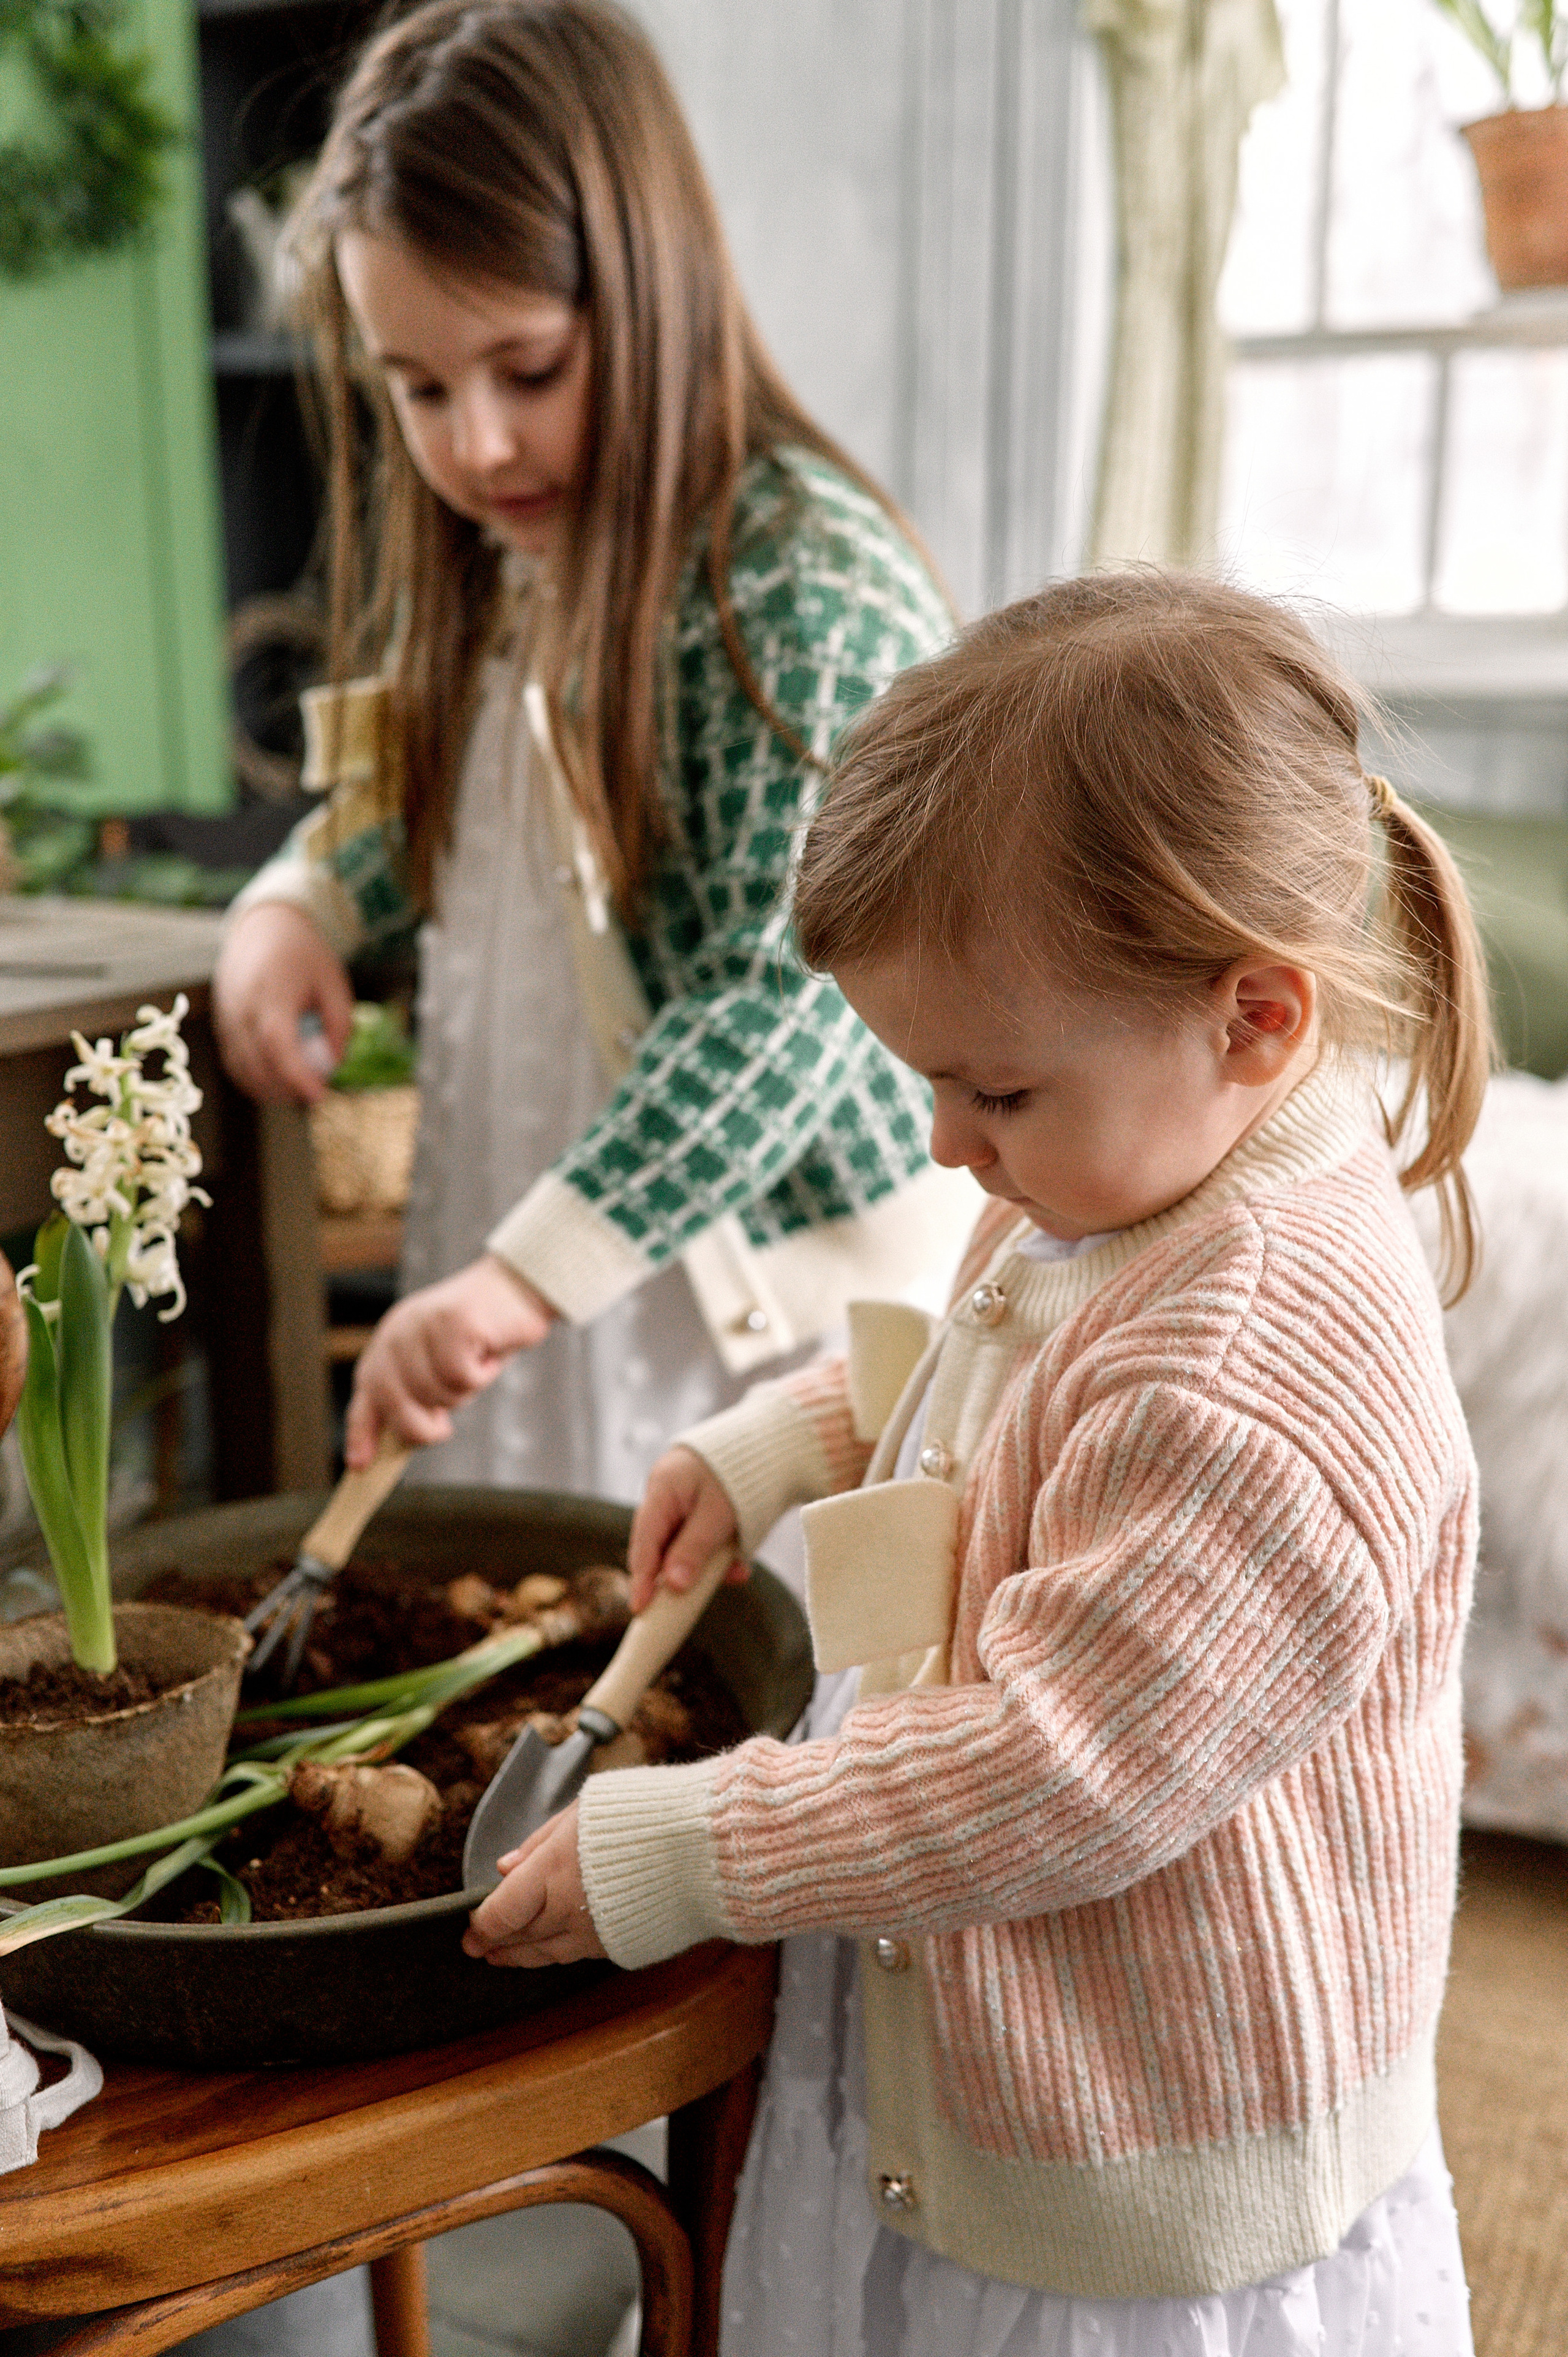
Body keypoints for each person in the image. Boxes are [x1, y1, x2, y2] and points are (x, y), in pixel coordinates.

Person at [464, 572, 1488, 2356]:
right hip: (1001, 2027)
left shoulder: (1256, 1361)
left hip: (1130, 2154)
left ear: (1254, 1015)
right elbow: (1000, 1368)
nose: (946, 1143)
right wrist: (785, 1442)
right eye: (928, 1084)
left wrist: (698, 1843)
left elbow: (1055, 1771)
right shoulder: (1135, 1160)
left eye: (992, 1092)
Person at [214, 0, 968, 1501]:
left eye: (528, 368)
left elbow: (787, 993)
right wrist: (302, 899)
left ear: (650, 291)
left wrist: (522, 1282)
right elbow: (453, 797)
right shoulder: (509, 555)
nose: (476, 443)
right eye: (419, 388)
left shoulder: (795, 585)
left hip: (750, 1318)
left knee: (710, 1605)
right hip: (542, 1243)